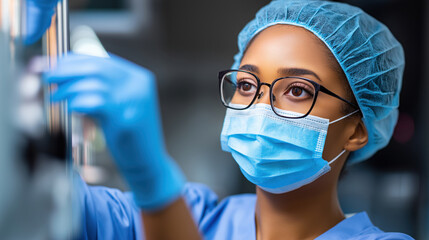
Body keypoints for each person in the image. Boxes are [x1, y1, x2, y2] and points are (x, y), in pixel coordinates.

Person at [41, 0, 413, 239]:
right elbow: (41, 200)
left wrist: (153, 181)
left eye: (297, 90)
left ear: (357, 130)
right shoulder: (196, 214)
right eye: (248, 84)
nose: (259, 108)